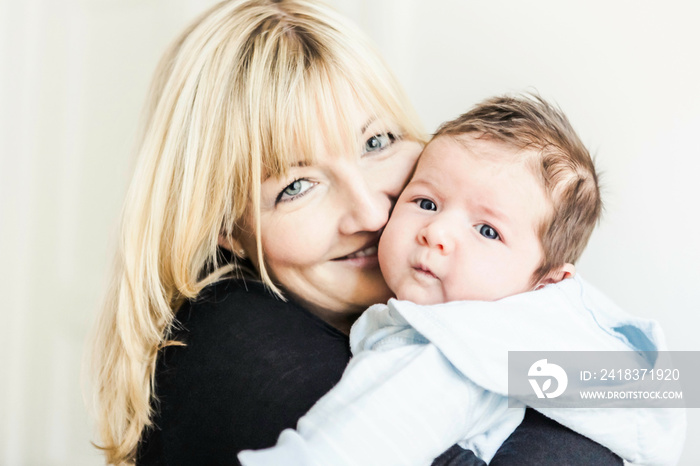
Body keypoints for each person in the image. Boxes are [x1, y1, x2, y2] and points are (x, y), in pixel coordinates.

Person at [88, 1, 638, 465]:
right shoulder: (239, 343)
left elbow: (656, 386)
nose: (373, 214)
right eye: (297, 186)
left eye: (377, 143)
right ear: (227, 229)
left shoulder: (482, 281)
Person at [237, 95, 685, 465]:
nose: (438, 232)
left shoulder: (453, 351)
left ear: (547, 282)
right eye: (427, 202)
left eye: (487, 230)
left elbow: (353, 446)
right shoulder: (561, 338)